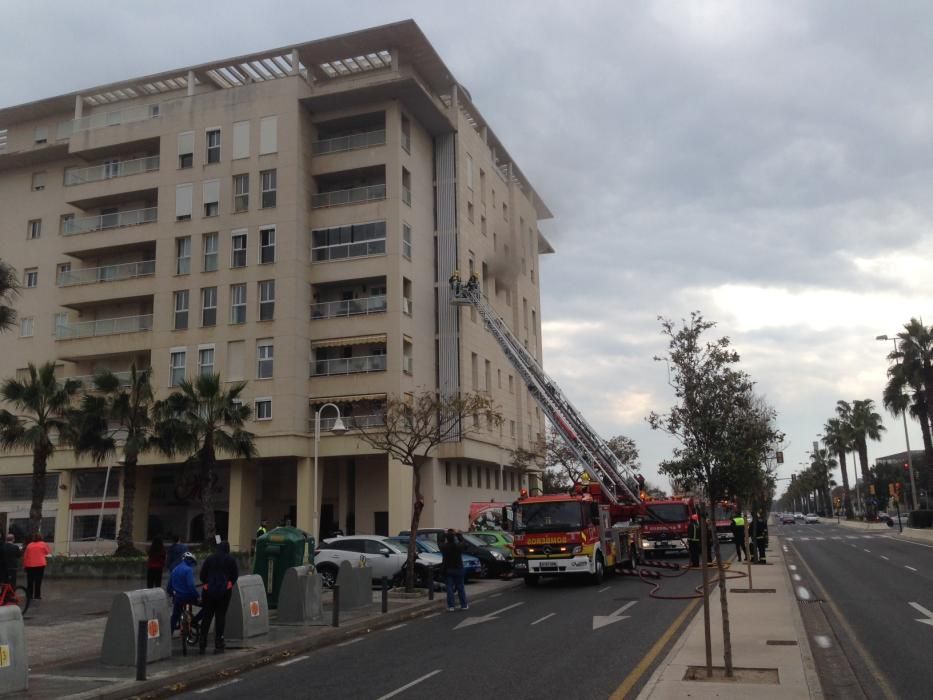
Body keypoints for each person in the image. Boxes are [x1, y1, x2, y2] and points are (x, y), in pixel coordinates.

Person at [199, 540, 239, 654]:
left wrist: (207, 583)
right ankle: (219, 642)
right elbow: (235, 575)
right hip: (224, 592)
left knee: (207, 616)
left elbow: (202, 575)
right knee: (220, 616)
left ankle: (202, 641)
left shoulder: (210, 558)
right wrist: (229, 583)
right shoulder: (230, 560)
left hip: (208, 592)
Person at [168, 552, 201, 633]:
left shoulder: (174, 570)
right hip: (188, 597)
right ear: (190, 561)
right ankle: (193, 622)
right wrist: (197, 596)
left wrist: (173, 594)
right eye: (193, 562)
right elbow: (191, 586)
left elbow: (169, 587)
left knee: (175, 616)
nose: (192, 565)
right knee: (207, 606)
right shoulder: (188, 570)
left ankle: (169, 634)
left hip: (178, 598)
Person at [440, 529, 468, 611]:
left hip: (448, 569)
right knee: (460, 587)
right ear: (454, 538)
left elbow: (440, 542)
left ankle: (451, 606)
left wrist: (443, 534)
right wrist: (459, 534)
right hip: (458, 568)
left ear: (447, 538)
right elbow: (464, 543)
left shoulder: (444, 547)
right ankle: (464, 605)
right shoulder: (459, 546)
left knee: (449, 588)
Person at [23, 533, 51, 601]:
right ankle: (37, 596)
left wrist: (24, 566)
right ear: (41, 538)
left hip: (30, 565)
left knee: (30, 581)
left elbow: (25, 556)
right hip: (40, 565)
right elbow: (47, 552)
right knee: (38, 581)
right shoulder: (43, 544)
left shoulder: (29, 545)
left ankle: (29, 596)